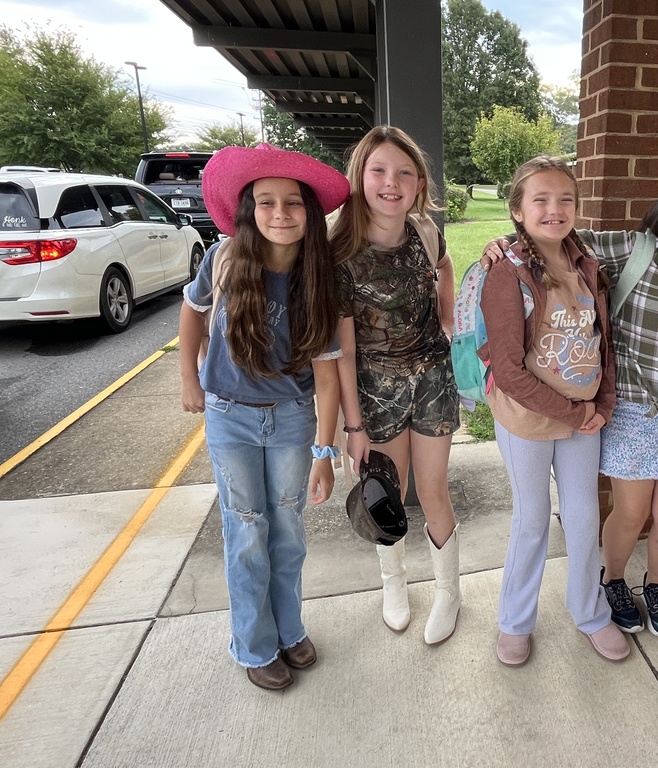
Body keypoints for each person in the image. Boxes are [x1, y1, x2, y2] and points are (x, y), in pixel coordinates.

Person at [483, 172, 658, 638]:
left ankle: (655, 586)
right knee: (625, 513)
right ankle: (606, 585)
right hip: (629, 409)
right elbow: (560, 234)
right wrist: (503, 242)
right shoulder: (638, 250)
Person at [179, 143, 361, 691]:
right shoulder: (226, 258)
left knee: (287, 530)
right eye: (266, 202)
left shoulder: (317, 279)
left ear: (310, 212)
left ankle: (288, 628)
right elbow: (192, 311)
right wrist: (189, 375)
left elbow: (327, 377)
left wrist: (325, 454)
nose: (280, 214)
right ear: (248, 210)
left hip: (291, 420)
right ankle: (254, 644)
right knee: (247, 530)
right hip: (230, 418)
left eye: (293, 203)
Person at [480, 155, 629, 666]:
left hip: (584, 416)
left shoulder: (587, 262)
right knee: (533, 518)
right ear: (517, 211)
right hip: (528, 419)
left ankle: (589, 611)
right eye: (540, 199)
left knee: (585, 517)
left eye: (565, 199)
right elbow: (509, 367)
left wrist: (602, 402)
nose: (554, 208)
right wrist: (573, 413)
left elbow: (601, 342)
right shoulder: (507, 272)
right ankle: (515, 621)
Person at [330, 126, 461, 645]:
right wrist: (352, 425)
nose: (392, 182)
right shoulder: (340, 248)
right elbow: (340, 350)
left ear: (419, 183)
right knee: (387, 492)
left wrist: (447, 316)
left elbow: (446, 266)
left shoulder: (426, 231)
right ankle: (394, 585)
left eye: (405, 172)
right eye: (379, 170)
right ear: (360, 175)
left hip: (433, 381)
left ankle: (449, 591)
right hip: (375, 393)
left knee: (432, 491)